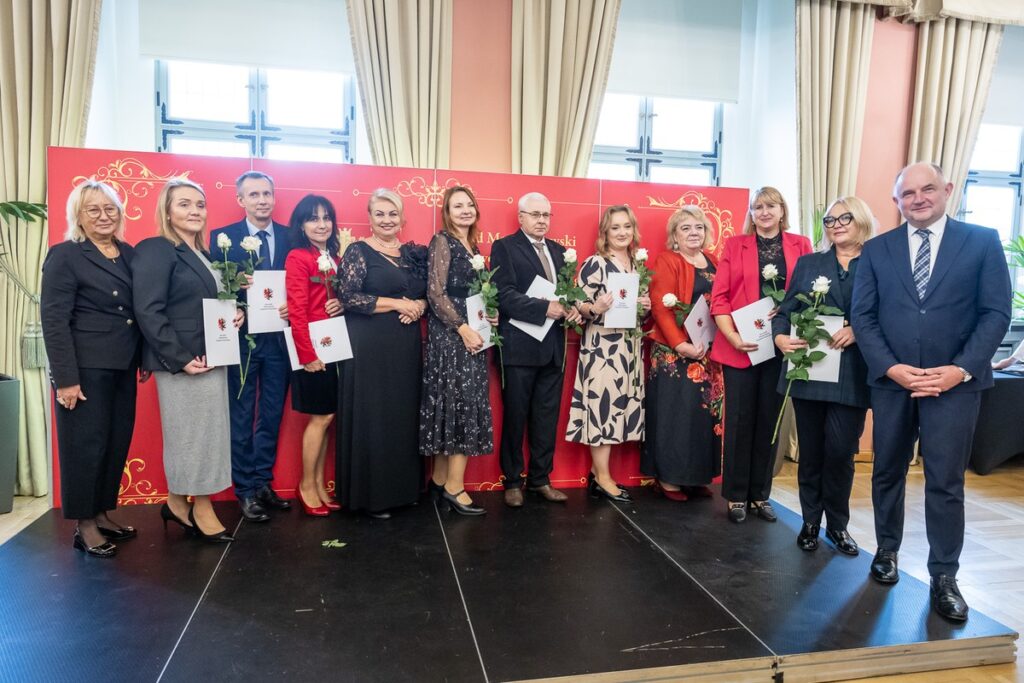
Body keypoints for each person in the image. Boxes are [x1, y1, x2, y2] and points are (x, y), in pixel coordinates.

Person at [851, 162, 1011, 622]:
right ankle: (885, 551)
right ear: (896, 201)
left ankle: (944, 576)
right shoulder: (877, 250)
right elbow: (863, 317)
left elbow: (995, 313)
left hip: (955, 386)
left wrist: (959, 370)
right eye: (908, 194)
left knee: (945, 482)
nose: (918, 199)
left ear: (948, 190)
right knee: (886, 471)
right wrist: (892, 368)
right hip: (893, 382)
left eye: (927, 190)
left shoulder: (981, 242)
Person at [133, 177, 240, 543]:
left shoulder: (206, 255)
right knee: (192, 438)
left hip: (211, 357)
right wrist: (179, 358)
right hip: (183, 362)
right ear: (167, 210)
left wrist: (234, 313)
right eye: (184, 204)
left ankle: (177, 503)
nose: (195, 210)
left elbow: (202, 305)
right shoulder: (157, 248)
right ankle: (203, 506)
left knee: (206, 435)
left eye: (200, 204)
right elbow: (148, 310)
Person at [40, 180, 142, 557]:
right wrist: (65, 379)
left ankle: (100, 512)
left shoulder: (128, 254)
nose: (104, 216)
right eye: (93, 209)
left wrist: (143, 358)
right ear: (78, 217)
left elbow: (140, 311)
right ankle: (84, 525)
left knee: (114, 443)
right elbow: (54, 320)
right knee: (85, 446)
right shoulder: (65, 255)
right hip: (84, 369)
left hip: (122, 364)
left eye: (110, 208)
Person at [773, 196, 874, 555]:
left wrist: (859, 331)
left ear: (861, 219)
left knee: (841, 452)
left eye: (844, 217)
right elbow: (786, 311)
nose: (836, 225)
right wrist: (780, 336)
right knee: (812, 453)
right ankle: (810, 522)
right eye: (830, 220)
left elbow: (891, 314)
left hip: (854, 372)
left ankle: (839, 526)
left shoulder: (879, 263)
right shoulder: (809, 263)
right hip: (811, 370)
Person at [710, 187, 812, 523]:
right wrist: (732, 336)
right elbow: (720, 298)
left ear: (783, 210)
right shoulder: (733, 245)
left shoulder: (801, 245)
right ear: (751, 213)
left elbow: (808, 293)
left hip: (781, 347)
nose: (764, 212)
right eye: (757, 207)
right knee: (739, 421)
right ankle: (736, 495)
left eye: (770, 206)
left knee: (770, 422)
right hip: (742, 345)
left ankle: (760, 494)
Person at [335, 189, 428, 519]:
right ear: (370, 218)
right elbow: (348, 296)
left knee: (402, 414)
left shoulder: (413, 253)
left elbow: (427, 293)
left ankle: (403, 490)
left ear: (402, 218)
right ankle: (372, 496)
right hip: (369, 344)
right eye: (380, 214)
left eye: (392, 214)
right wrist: (397, 304)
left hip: (404, 345)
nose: (387, 219)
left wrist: (419, 305)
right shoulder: (358, 251)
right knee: (373, 414)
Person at [209, 171, 293, 523]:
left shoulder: (291, 236)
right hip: (240, 341)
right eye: (254, 194)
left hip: (279, 340)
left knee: (271, 415)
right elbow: (212, 289)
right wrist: (236, 303)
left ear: (274, 197)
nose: (262, 200)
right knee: (242, 416)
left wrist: (295, 307)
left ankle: (262, 483)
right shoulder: (222, 238)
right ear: (240, 199)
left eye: (267, 193)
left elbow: (300, 283)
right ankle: (244, 490)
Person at [491, 192, 582, 507]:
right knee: (516, 417)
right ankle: (513, 481)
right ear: (521, 217)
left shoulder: (560, 252)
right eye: (535, 214)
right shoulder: (504, 247)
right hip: (519, 348)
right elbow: (504, 296)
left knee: (546, 418)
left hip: (553, 348)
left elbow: (567, 296)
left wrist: (570, 308)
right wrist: (548, 308)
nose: (542, 220)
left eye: (546, 215)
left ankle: (541, 479)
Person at [565, 205, 650, 502]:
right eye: (615, 227)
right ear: (605, 232)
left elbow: (637, 311)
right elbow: (578, 306)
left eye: (627, 226)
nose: (622, 232)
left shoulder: (638, 266)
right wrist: (594, 308)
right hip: (603, 347)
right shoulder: (595, 263)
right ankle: (602, 477)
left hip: (629, 347)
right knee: (604, 407)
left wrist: (645, 307)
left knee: (620, 408)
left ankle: (599, 475)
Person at [420, 186, 497, 516]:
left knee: (453, 403)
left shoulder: (474, 245)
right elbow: (435, 293)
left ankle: (439, 482)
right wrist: (462, 328)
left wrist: (488, 314)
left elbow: (473, 294)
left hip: (472, 334)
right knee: (459, 404)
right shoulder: (442, 241)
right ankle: (454, 488)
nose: (465, 210)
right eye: (457, 206)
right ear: (447, 212)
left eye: (469, 204)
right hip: (453, 337)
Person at [642, 205, 724, 502]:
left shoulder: (713, 261)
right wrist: (680, 344)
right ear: (674, 236)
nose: (693, 232)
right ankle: (668, 479)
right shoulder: (667, 260)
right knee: (674, 416)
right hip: (674, 355)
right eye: (685, 228)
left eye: (699, 227)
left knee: (702, 417)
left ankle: (695, 476)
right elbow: (660, 307)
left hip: (708, 352)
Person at [284, 195, 343, 517]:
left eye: (326, 217)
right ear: (302, 224)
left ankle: (320, 485)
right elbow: (297, 308)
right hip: (311, 349)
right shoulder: (297, 256)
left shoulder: (333, 256)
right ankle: (306, 486)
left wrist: (341, 304)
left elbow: (333, 299)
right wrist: (307, 354)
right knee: (319, 418)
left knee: (328, 417)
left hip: (334, 345)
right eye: (313, 218)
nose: (321, 224)